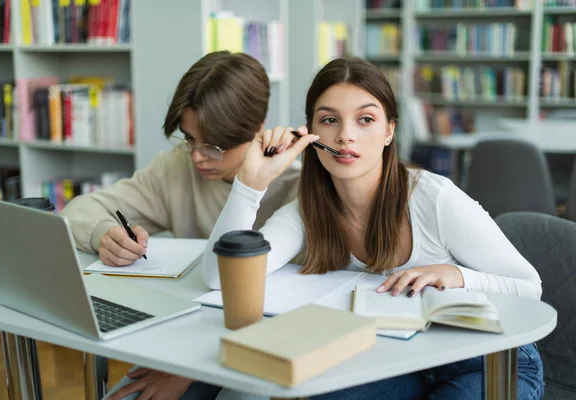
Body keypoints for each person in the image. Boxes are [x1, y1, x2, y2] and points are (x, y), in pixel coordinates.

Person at [200, 57, 544, 400]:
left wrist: (459, 275)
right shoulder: (308, 210)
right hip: (396, 360)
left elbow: (530, 287)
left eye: (365, 119)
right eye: (330, 120)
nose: (346, 135)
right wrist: (250, 182)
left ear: (389, 131)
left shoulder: (435, 199)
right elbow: (220, 277)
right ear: (310, 132)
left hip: (484, 357)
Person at [60, 51, 301, 400]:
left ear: (257, 127)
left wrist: (188, 369)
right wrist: (103, 235)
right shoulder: (175, 169)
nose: (197, 156)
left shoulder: (299, 184)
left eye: (213, 146)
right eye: (188, 138)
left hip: (265, 346)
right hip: (183, 339)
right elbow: (80, 210)